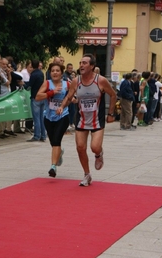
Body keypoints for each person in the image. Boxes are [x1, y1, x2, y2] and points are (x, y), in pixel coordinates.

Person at [57, 54, 116, 186]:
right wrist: (61, 106)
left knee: (94, 147)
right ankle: (87, 174)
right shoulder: (76, 81)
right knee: (80, 147)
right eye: (80, 62)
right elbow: (69, 96)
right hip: (81, 119)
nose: (81, 65)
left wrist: (111, 113)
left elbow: (113, 95)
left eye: (84, 63)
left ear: (92, 66)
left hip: (97, 120)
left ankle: (99, 153)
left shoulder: (100, 81)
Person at [35, 62, 70, 177]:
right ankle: (59, 153)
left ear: (61, 73)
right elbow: (38, 97)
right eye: (53, 71)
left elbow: (72, 97)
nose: (55, 73)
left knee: (56, 140)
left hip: (63, 116)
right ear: (50, 73)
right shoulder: (47, 83)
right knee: (53, 142)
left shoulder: (67, 84)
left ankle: (53, 167)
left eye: (57, 71)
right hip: (48, 117)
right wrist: (51, 92)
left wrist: (72, 100)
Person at [27, 59, 45, 142]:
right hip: (42, 96)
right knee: (41, 117)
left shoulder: (33, 74)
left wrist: (23, 84)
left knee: (36, 118)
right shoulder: (41, 73)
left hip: (35, 97)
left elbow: (29, 86)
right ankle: (43, 135)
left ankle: (37, 135)